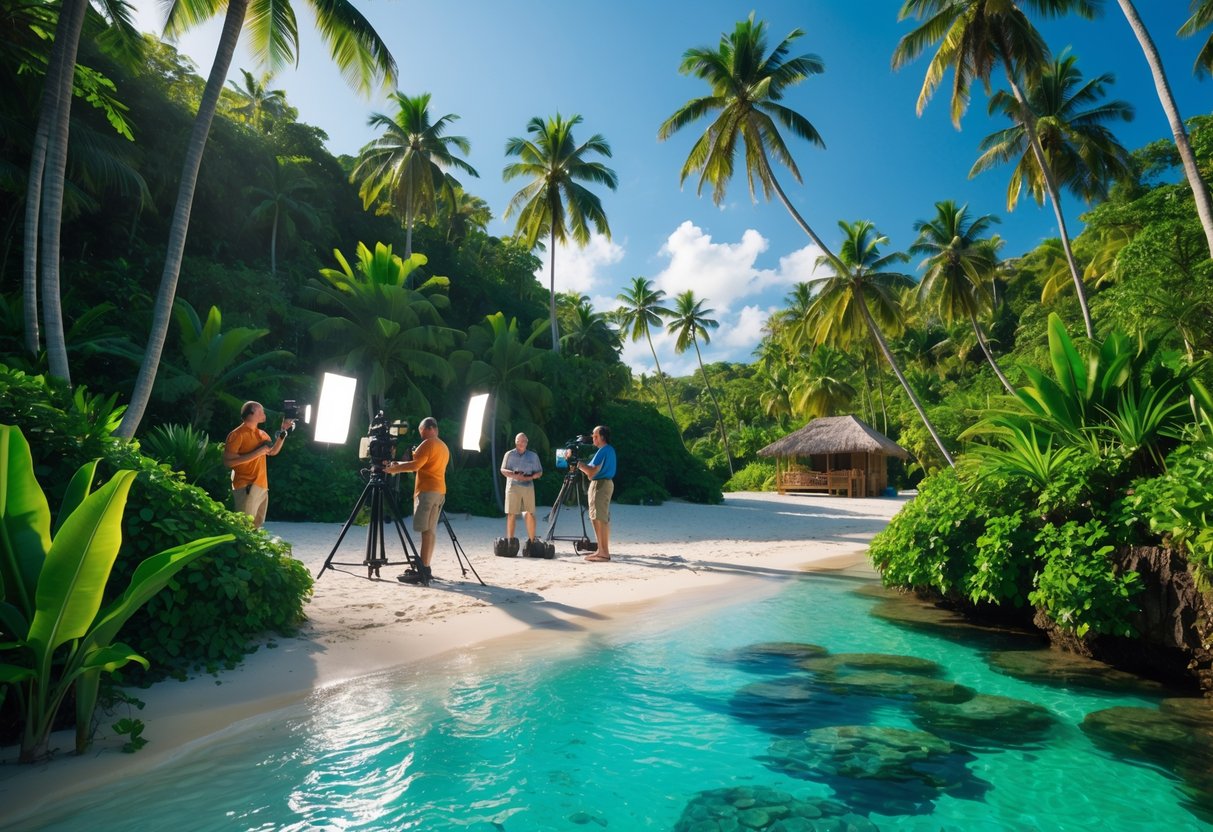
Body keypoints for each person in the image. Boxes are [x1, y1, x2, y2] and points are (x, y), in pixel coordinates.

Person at [384, 416, 449, 584]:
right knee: (431, 531)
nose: (421, 435)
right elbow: (421, 464)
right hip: (440, 491)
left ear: (428, 428)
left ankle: (423, 570)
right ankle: (425, 566)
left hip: (427, 491)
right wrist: (396, 464)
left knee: (425, 531)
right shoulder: (443, 446)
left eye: (421, 431)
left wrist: (393, 470)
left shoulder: (427, 443)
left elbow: (415, 465)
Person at [223, 401, 294, 529]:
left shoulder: (262, 434)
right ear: (251, 414)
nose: (264, 414)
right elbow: (228, 462)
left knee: (256, 527)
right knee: (244, 526)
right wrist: (257, 453)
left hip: (261, 486)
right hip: (245, 486)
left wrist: (283, 432)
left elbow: (272, 452)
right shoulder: (237, 434)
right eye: (261, 411)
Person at [575, 425, 615, 562]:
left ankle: (603, 553)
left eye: (595, 435)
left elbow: (591, 472)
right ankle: (601, 550)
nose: (593, 437)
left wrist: (579, 464)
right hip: (602, 484)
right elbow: (592, 471)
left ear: (602, 437)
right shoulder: (607, 450)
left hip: (601, 484)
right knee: (596, 517)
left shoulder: (604, 450)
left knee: (600, 518)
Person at [500, 432, 543, 544]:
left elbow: (539, 472)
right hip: (513, 485)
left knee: (530, 513)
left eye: (523, 441)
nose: (521, 443)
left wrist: (532, 476)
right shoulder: (509, 454)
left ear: (527, 442)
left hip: (528, 486)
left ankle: (532, 541)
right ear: (515, 442)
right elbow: (502, 470)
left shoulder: (533, 456)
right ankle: (510, 541)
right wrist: (515, 475)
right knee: (511, 513)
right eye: (519, 441)